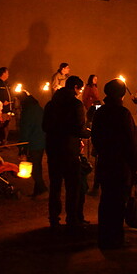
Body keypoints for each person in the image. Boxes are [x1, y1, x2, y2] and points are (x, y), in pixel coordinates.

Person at [92, 79, 137, 249]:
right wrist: (135, 164)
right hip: (121, 166)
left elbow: (95, 138)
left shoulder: (101, 112)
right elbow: (132, 141)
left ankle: (104, 236)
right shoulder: (122, 113)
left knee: (106, 201)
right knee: (119, 202)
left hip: (106, 163)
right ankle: (116, 238)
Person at [43, 76, 91, 231]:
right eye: (80, 89)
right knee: (73, 186)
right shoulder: (76, 105)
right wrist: (87, 133)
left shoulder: (51, 104)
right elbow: (78, 128)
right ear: (75, 87)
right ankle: (72, 219)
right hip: (70, 151)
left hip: (53, 149)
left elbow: (44, 126)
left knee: (55, 186)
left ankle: (54, 219)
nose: (80, 92)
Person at [17, 92, 47, 198]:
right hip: (41, 140)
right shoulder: (38, 108)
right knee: (37, 165)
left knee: (34, 167)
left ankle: (42, 188)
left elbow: (25, 130)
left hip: (33, 142)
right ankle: (37, 190)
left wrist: (22, 147)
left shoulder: (28, 112)